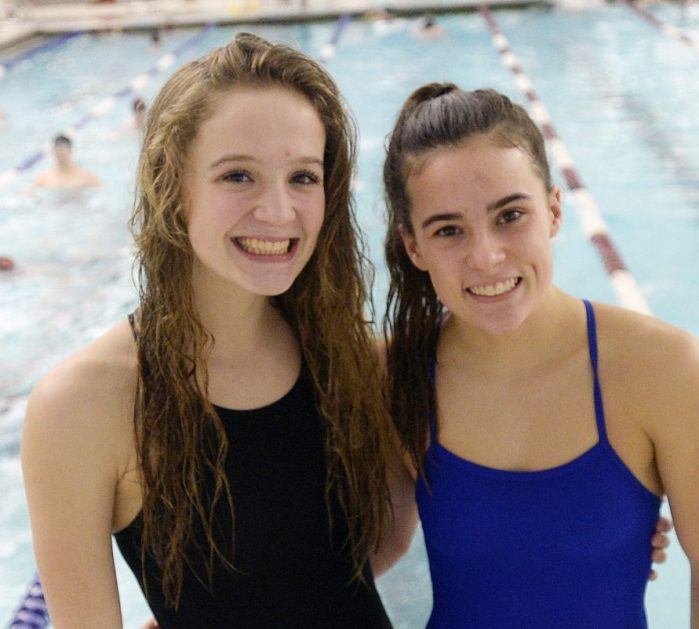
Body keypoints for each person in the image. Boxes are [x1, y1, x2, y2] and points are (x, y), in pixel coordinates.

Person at [21, 33, 412, 628]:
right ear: (174, 186)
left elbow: (370, 553)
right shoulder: (84, 406)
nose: (279, 211)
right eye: (238, 176)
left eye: (303, 177)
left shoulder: (350, 358)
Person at [382, 83, 699, 627]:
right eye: (449, 230)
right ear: (415, 247)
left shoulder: (664, 370)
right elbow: (354, 558)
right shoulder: (394, 373)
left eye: (510, 216)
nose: (486, 257)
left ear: (554, 210)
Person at [25, 134, 101, 193]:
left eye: (63, 153)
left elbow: (100, 191)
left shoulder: (85, 176)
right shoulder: (44, 178)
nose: (60, 156)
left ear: (71, 152)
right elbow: (28, 193)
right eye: (58, 153)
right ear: (53, 153)